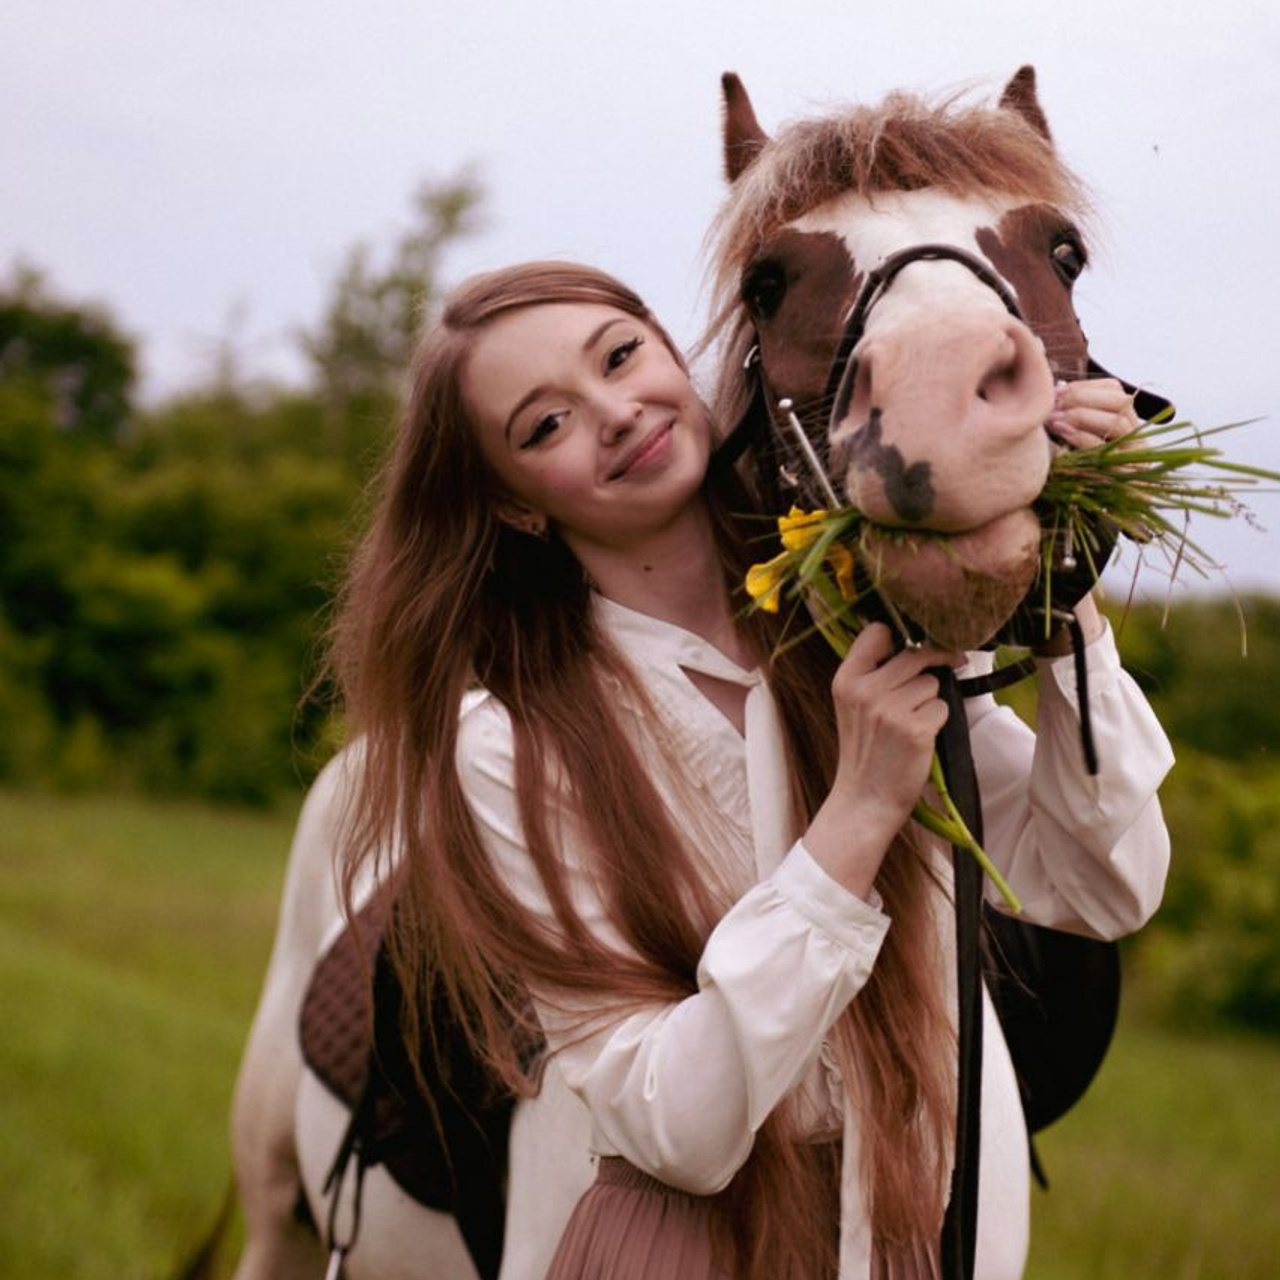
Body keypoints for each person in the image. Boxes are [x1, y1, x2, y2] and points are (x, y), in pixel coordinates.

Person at [328, 260, 1172, 1280]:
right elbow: (669, 1127)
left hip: (940, 1210)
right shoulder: (510, 746)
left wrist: (1061, 573)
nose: (613, 410)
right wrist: (853, 818)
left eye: (620, 355)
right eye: (543, 425)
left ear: (673, 352)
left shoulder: (863, 615)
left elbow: (1102, 883)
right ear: (511, 505)